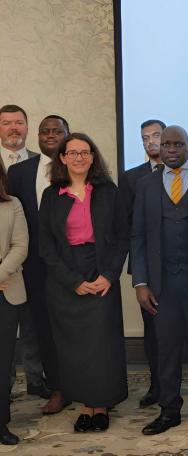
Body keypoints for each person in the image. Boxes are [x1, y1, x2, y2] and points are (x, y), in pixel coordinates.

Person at [130, 126, 188, 436]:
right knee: (166, 352)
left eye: (177, 144)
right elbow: (138, 236)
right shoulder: (145, 185)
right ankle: (169, 411)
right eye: (166, 143)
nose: (171, 149)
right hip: (161, 285)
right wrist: (140, 282)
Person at [38, 133, 129, 432]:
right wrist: (73, 281)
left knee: (102, 344)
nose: (79, 157)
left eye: (85, 152)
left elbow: (122, 237)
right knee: (73, 347)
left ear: (93, 157)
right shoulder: (51, 195)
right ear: (62, 158)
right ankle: (84, 405)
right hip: (65, 278)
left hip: (101, 272)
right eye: (73, 153)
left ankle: (100, 405)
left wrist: (109, 275)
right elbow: (46, 246)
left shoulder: (109, 191)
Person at [7, 114, 70, 414]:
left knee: (79, 329)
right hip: (35, 267)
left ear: (68, 135)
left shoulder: (80, 165)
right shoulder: (19, 172)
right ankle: (58, 387)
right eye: (45, 131)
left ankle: (87, 386)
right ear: (37, 135)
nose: (51, 135)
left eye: (57, 131)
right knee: (44, 331)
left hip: (76, 266)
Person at [0, 105, 48, 401]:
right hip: (3, 260)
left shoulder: (41, 163)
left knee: (32, 324)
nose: (13, 128)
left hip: (31, 258)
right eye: (6, 123)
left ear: (27, 127)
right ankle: (3, 387)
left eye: (19, 122)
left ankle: (35, 379)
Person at [117, 118, 165, 408]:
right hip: (148, 268)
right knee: (153, 332)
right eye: (145, 138)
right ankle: (157, 385)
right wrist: (138, 277)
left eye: (156, 135)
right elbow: (127, 227)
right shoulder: (131, 178)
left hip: (183, 266)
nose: (151, 142)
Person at [0, 162, 29, 445]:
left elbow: (20, 246)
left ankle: (1, 423)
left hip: (5, 289)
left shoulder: (12, 204)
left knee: (2, 361)